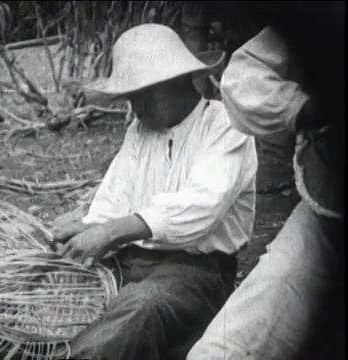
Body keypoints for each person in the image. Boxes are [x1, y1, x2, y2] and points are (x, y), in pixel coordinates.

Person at [51, 23, 258, 359]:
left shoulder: (226, 124)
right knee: (60, 302)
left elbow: (200, 209)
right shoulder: (141, 129)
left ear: (173, 83)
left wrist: (110, 231)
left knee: (140, 310)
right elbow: (115, 198)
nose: (135, 108)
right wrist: (89, 228)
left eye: (139, 95)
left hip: (195, 273)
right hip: (128, 263)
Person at [187, 23, 344, 360]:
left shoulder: (215, 129)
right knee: (221, 351)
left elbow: (201, 207)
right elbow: (244, 75)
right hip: (328, 213)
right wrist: (304, 108)